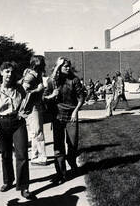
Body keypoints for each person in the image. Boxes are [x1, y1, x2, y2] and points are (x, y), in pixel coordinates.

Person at [0, 62, 33, 199]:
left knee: (22, 155)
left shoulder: (20, 89)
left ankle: (24, 186)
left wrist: (25, 112)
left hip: (18, 123)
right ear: (1, 73)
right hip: (2, 124)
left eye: (12, 72)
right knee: (5, 155)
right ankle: (8, 181)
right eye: (7, 71)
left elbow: (27, 104)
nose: (9, 74)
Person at [43, 57, 83, 185]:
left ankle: (72, 161)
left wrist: (76, 111)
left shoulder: (74, 80)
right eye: (64, 66)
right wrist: (51, 96)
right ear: (58, 67)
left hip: (71, 115)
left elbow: (81, 98)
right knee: (58, 146)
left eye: (68, 65)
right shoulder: (53, 82)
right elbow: (44, 97)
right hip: (58, 116)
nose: (67, 67)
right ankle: (61, 173)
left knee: (73, 143)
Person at [21, 55, 47, 166]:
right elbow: (23, 92)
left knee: (35, 132)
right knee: (38, 132)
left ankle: (35, 155)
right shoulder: (30, 76)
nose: (43, 65)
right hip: (32, 107)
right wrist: (37, 90)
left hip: (36, 105)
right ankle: (41, 156)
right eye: (42, 63)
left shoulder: (37, 75)